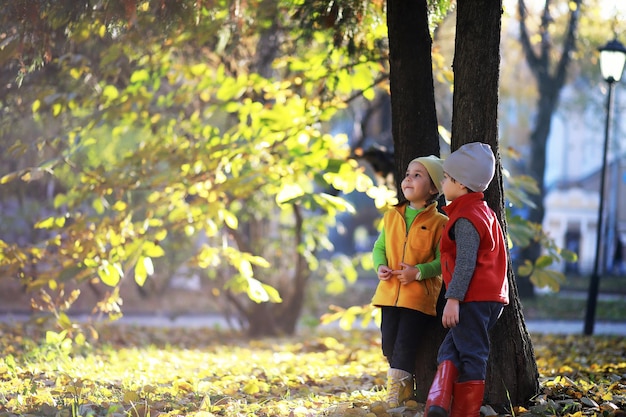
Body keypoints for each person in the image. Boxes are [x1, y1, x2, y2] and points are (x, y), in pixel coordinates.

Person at [424, 142, 509, 417]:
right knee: (450, 349)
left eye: (447, 178)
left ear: (461, 184)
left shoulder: (466, 218)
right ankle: (436, 405)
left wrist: (453, 299)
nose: (443, 182)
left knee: (472, 353)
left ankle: (464, 412)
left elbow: (466, 262)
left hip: (472, 297)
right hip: (488, 297)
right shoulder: (484, 212)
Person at [371, 155, 448, 408]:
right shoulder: (392, 216)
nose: (408, 179)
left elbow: (443, 261)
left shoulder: (440, 222)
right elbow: (379, 247)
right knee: (389, 343)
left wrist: (418, 272)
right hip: (389, 293)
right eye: (407, 174)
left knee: (405, 344)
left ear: (434, 188)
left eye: (418, 175)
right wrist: (380, 266)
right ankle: (400, 381)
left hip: (418, 298)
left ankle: (398, 394)